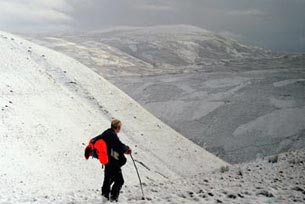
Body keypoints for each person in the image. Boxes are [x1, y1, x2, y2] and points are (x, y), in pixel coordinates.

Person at [98, 119, 131, 202]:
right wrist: (126, 149)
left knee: (108, 179)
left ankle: (105, 197)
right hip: (112, 161)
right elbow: (118, 145)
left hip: (107, 160)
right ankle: (113, 198)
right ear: (118, 127)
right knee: (120, 180)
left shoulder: (107, 133)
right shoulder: (112, 135)